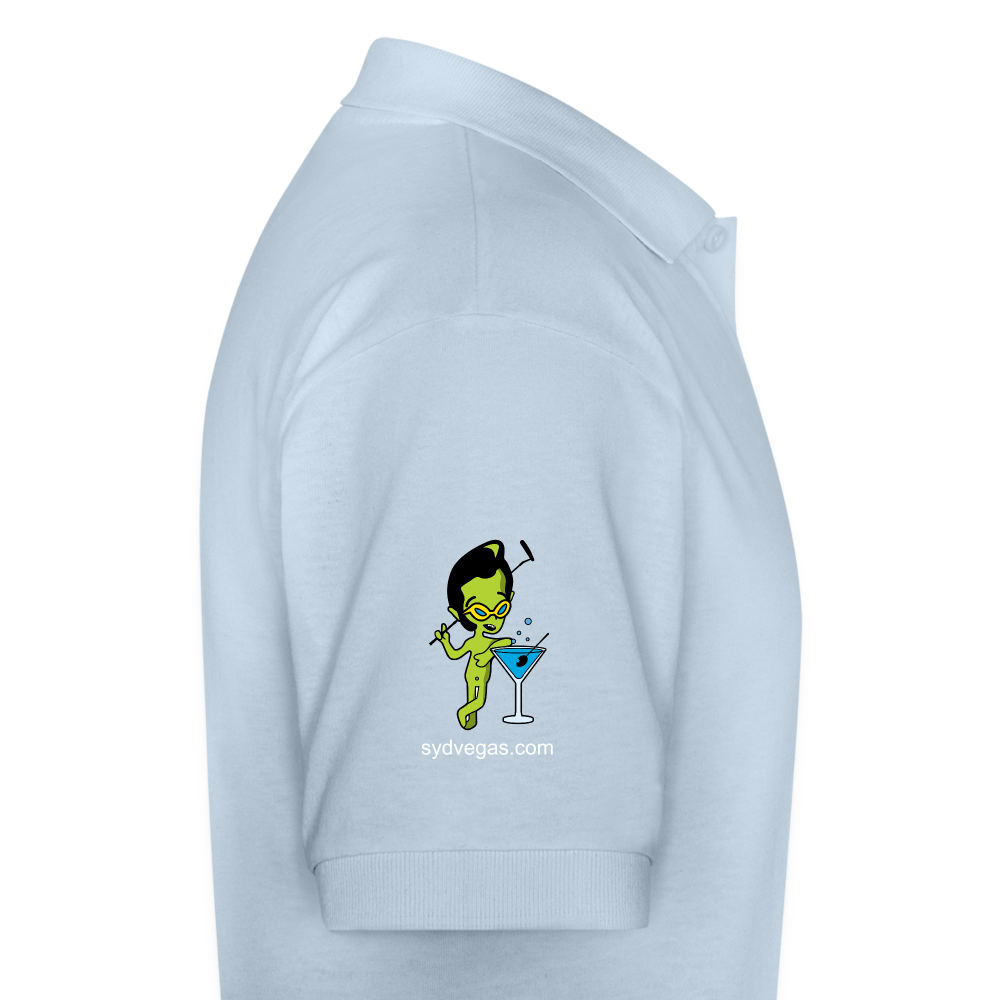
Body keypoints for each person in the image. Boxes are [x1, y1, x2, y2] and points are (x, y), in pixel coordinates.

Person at [434, 539, 515, 728]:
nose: (492, 617)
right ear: (458, 614)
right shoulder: (471, 643)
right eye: (480, 611)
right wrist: (445, 641)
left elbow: (507, 641)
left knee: (477, 702)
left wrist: (488, 654)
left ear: (510, 599)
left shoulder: (489, 643)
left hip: (478, 675)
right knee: (478, 701)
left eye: (501, 608)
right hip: (472, 675)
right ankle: (463, 713)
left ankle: (471, 721)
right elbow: (455, 654)